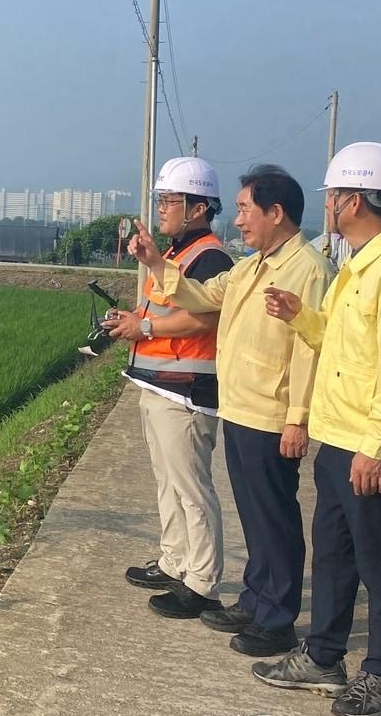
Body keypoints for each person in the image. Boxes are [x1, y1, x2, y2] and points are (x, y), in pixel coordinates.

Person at [253, 141, 381, 716]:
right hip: (339, 440)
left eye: (333, 195)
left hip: (371, 446)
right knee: (332, 555)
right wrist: (300, 316)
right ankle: (324, 657)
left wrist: (376, 446)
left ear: (353, 199)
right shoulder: (356, 266)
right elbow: (339, 341)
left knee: (380, 561)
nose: (326, 204)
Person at [126, 165, 333, 657]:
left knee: (275, 517)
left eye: (245, 210)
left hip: (271, 411)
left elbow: (309, 348)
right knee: (255, 515)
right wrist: (156, 263)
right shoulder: (252, 265)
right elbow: (203, 296)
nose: (238, 221)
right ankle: (256, 599)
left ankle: (276, 618)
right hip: (241, 405)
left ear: (275, 213)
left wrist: (297, 418)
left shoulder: (307, 269)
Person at [105, 157, 232, 619]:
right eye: (160, 200)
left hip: (186, 391)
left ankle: (201, 582)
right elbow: (160, 311)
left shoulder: (211, 256)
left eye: (170, 201)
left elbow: (205, 317)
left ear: (198, 208)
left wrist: (148, 330)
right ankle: (174, 560)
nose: (162, 209)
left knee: (192, 488)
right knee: (168, 483)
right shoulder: (176, 255)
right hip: (158, 385)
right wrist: (135, 323)